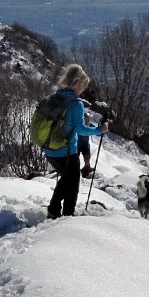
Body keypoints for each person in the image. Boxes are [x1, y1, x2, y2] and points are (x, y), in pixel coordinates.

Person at [43, 64, 107, 218]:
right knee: (73, 186)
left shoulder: (56, 97)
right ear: (77, 83)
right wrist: (100, 130)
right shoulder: (76, 104)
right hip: (67, 151)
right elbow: (81, 129)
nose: (83, 89)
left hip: (49, 149)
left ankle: (54, 211)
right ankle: (67, 217)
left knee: (65, 180)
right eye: (83, 85)